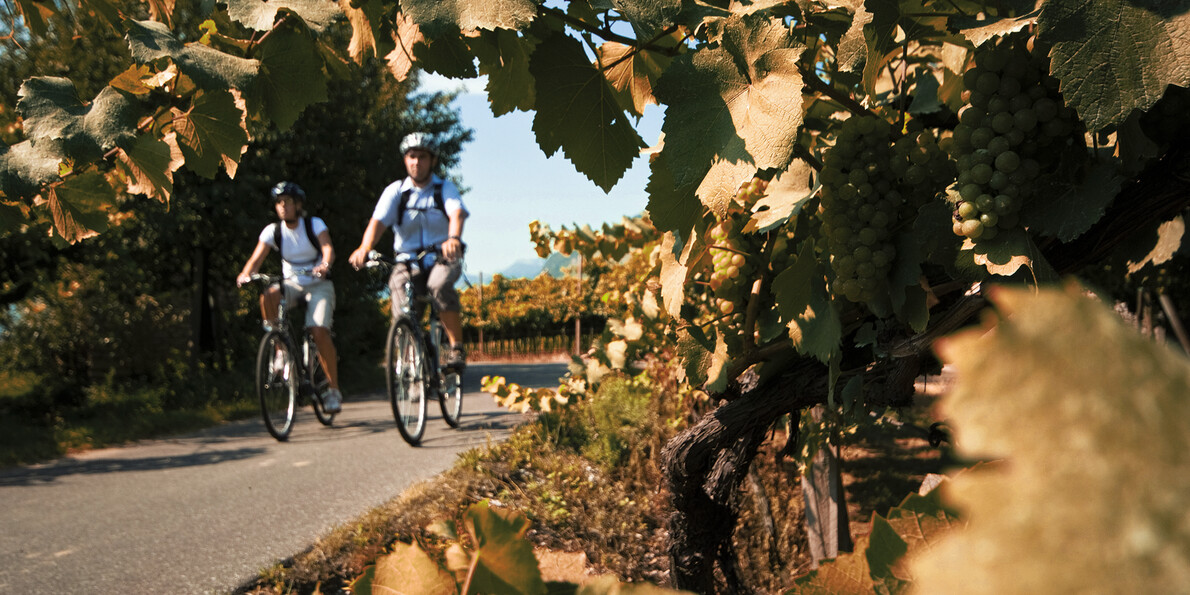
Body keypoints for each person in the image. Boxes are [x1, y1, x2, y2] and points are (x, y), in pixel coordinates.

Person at [348, 131, 469, 369]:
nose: (416, 162)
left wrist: (453, 238)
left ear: (432, 160)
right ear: (405, 160)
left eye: (422, 157)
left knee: (439, 286)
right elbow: (377, 223)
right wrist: (364, 248)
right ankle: (412, 360)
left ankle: (456, 348)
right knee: (401, 300)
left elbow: (456, 212)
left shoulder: (444, 188)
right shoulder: (396, 192)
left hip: (442, 257)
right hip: (407, 261)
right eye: (411, 156)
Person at [237, 181, 344, 413]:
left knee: (318, 330)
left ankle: (333, 390)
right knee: (268, 296)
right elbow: (256, 259)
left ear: (298, 205)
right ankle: (280, 350)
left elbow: (328, 248)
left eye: (287, 202)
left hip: (318, 284)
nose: (283, 206)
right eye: (279, 202)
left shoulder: (313, 224)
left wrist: (325, 265)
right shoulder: (273, 231)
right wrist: (246, 275)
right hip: (291, 284)